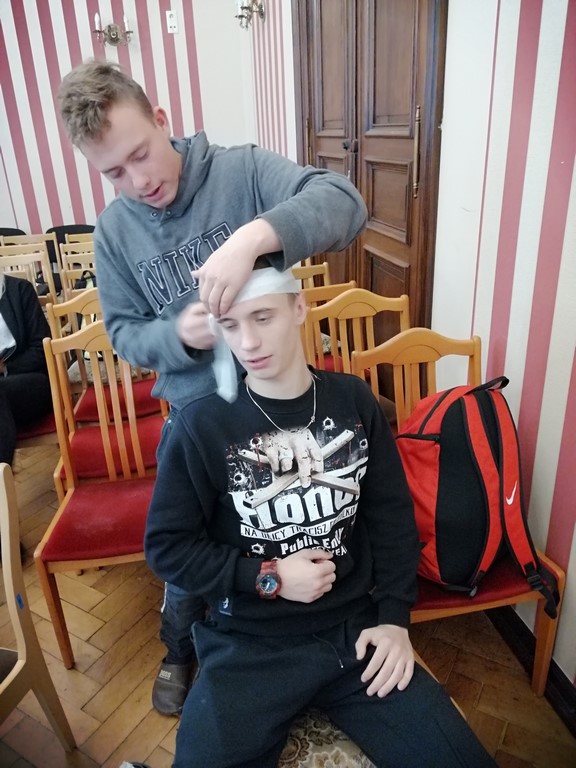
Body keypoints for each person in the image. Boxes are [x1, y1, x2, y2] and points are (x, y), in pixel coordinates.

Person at [57, 59, 367, 716]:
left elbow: (344, 202)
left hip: (282, 411)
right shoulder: (115, 232)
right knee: (191, 550)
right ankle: (179, 647)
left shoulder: (241, 171)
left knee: (287, 530)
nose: (138, 181)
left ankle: (298, 641)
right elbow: (124, 333)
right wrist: (179, 335)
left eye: (141, 153)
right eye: (114, 173)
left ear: (161, 119)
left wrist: (255, 237)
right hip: (196, 419)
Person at [144, 267, 496, 768]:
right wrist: (268, 577)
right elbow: (167, 548)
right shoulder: (202, 424)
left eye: (262, 317)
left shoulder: (354, 400)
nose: (248, 342)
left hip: (354, 634)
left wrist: (395, 619)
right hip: (249, 645)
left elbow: (392, 517)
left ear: (299, 308)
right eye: (230, 325)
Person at [0, 274, 53, 467]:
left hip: (31, 380)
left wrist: (5, 367)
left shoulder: (19, 290)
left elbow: (42, 348)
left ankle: (2, 476)